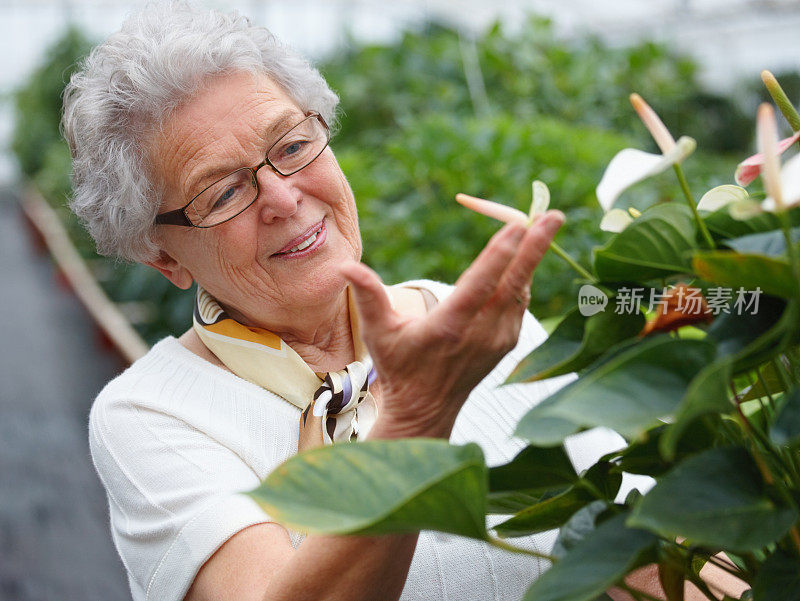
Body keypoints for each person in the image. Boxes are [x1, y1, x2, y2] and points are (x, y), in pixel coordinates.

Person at [62, 3, 666, 600]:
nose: (283, 198)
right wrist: (420, 415)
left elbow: (641, 552)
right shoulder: (152, 415)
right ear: (162, 257)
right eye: (221, 193)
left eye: (293, 146)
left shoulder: (477, 323)